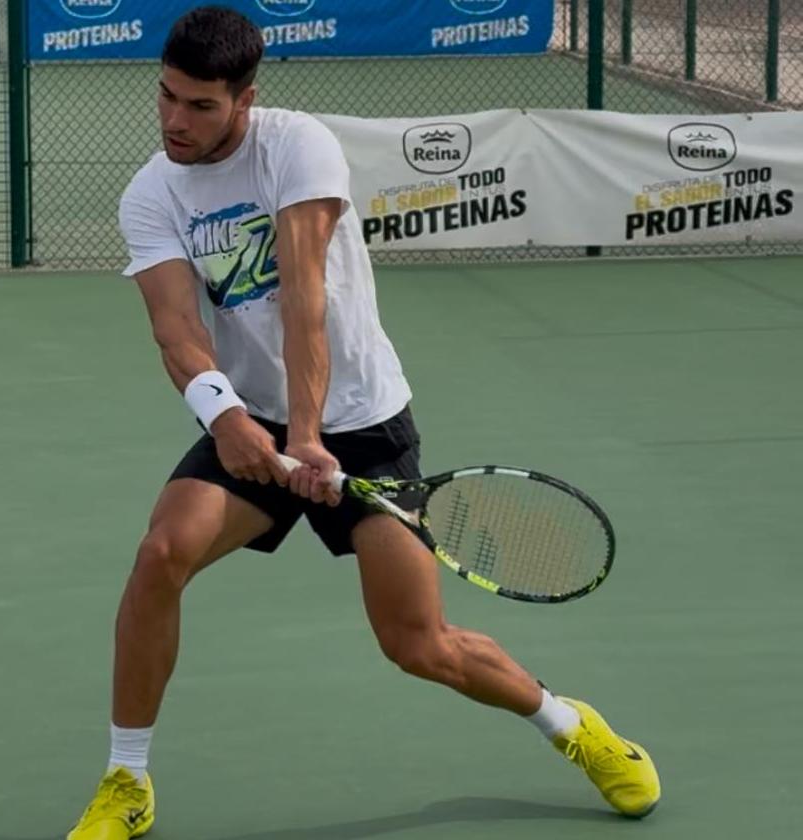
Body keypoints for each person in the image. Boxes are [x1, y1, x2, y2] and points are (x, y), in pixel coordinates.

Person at [67, 7, 660, 839]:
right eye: (166, 97)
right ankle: (126, 780)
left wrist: (308, 437)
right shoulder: (151, 191)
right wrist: (233, 419)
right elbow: (177, 330)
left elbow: (304, 295)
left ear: (244, 100)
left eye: (200, 106)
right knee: (161, 553)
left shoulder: (296, 147)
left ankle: (569, 726)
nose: (175, 121)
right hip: (249, 420)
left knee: (420, 645)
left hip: (363, 425)